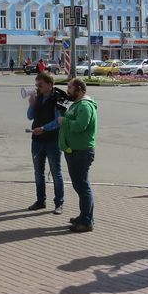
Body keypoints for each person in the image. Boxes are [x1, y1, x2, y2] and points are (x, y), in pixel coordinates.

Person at [58, 77, 97, 233]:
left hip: (81, 152)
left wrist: (65, 121)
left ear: (79, 90)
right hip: (74, 151)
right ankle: (84, 216)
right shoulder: (76, 104)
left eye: (70, 88)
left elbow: (81, 126)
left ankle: (87, 222)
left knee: (82, 186)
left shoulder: (85, 106)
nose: (67, 90)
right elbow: (71, 119)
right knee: (79, 186)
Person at [26, 72, 64, 214]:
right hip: (37, 141)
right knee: (38, 173)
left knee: (56, 173)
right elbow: (30, 116)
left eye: (40, 85)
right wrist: (32, 105)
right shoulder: (39, 97)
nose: (38, 88)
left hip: (52, 141)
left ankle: (59, 203)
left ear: (49, 84)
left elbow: (58, 121)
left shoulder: (58, 98)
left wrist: (43, 128)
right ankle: (40, 201)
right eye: (37, 85)